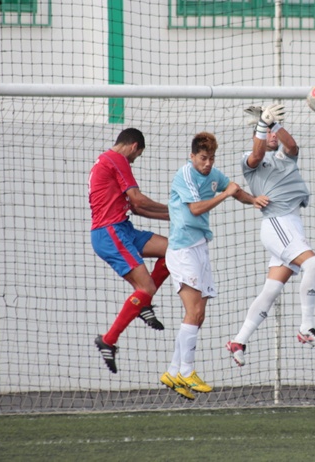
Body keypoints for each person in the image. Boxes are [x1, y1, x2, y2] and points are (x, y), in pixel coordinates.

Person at [159, 132, 268, 400]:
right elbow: (196, 209)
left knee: (199, 314)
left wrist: (251, 199)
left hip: (200, 247)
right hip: (182, 249)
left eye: (211, 158)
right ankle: (186, 372)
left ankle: (173, 371)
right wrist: (226, 195)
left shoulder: (213, 174)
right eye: (203, 158)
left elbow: (234, 188)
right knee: (193, 311)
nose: (207, 163)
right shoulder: (184, 175)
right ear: (192, 156)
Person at [226, 104, 315, 367]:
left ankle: (239, 340)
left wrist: (274, 125)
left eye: (274, 132)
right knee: (313, 264)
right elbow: (257, 152)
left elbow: (293, 146)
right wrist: (262, 125)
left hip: (292, 224)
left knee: (271, 290)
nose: (273, 136)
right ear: (257, 135)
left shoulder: (286, 156)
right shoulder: (251, 160)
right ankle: (306, 327)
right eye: (267, 132)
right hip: (277, 223)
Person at [89, 128, 171, 374]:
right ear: (134, 146)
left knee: (173, 251)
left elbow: (136, 209)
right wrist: (177, 210)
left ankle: (144, 304)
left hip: (122, 228)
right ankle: (108, 340)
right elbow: (138, 200)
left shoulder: (106, 161)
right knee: (144, 288)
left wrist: (176, 217)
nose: (135, 160)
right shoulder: (118, 159)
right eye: (138, 155)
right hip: (110, 232)